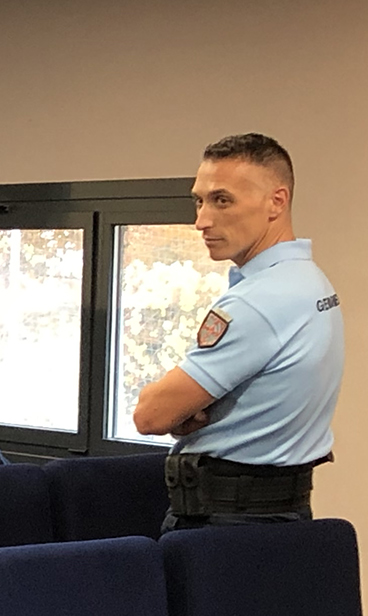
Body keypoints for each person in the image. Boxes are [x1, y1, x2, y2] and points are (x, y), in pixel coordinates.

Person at [133, 133, 344, 529]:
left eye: (222, 200)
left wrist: (177, 409)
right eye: (199, 200)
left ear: (276, 202)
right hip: (283, 513)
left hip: (226, 523)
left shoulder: (258, 300)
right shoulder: (311, 282)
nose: (201, 220)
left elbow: (150, 415)